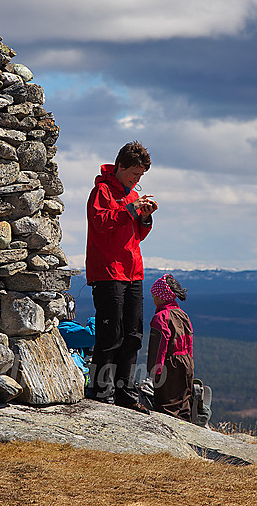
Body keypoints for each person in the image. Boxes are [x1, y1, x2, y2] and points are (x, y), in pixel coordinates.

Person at [85, 141, 157, 413]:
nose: (137, 179)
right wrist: (131, 210)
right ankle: (102, 392)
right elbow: (101, 224)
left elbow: (135, 236)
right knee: (110, 333)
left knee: (133, 334)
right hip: (107, 271)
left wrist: (145, 218)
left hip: (132, 271)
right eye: (134, 174)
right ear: (120, 167)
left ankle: (126, 392)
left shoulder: (130, 196)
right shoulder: (101, 191)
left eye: (140, 176)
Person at [146, 274, 194, 421]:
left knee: (167, 405)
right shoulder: (183, 315)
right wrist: (190, 363)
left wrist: (155, 369)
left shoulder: (160, 318)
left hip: (170, 365)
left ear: (161, 297)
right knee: (184, 402)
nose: (153, 299)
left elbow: (159, 346)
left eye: (154, 296)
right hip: (186, 363)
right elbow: (189, 341)